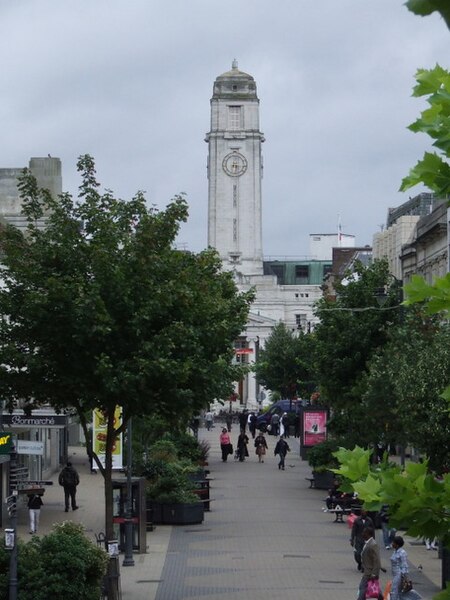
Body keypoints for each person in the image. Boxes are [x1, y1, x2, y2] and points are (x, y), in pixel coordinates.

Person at [390, 535, 422, 600]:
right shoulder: (395, 551)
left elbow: (404, 565)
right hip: (395, 574)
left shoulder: (402, 553)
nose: (392, 544)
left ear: (397, 544)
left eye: (393, 542)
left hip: (399, 575)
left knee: (394, 590)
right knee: (398, 591)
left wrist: (405, 577)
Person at [356, 527, 381, 600]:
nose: (362, 534)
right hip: (367, 572)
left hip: (369, 573)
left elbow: (377, 560)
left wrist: (374, 573)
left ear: (368, 534)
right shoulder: (367, 543)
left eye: (364, 532)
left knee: (362, 589)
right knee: (375, 590)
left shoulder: (373, 544)